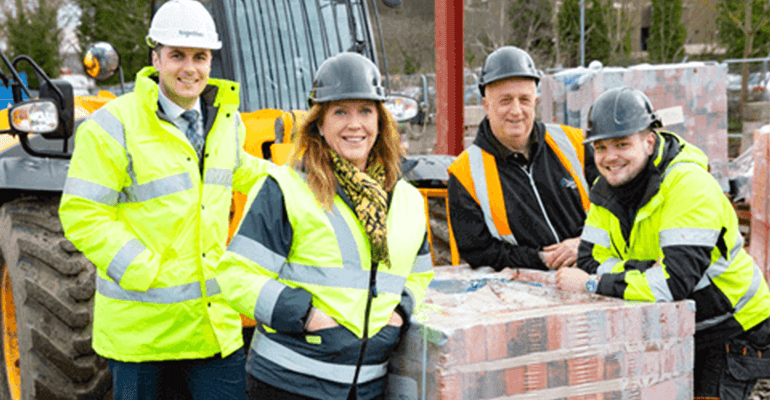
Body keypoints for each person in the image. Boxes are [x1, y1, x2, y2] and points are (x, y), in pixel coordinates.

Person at [58, 0, 271, 398]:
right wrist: (142, 270)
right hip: (144, 332)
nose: (190, 68)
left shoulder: (225, 120)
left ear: (211, 61)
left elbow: (241, 169)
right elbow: (82, 213)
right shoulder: (112, 125)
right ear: (156, 57)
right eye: (177, 55)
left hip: (212, 327)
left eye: (200, 56)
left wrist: (309, 181)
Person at [216, 52, 434, 400]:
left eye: (365, 110)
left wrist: (399, 312)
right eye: (340, 111)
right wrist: (304, 314)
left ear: (380, 120)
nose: (354, 124)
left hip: (368, 387)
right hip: (289, 385)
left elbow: (419, 274)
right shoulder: (287, 189)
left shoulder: (408, 200)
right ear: (319, 122)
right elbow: (235, 275)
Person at [556, 87, 770, 399]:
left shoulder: (687, 185)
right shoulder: (605, 190)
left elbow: (670, 286)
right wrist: (645, 272)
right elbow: (589, 258)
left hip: (733, 326)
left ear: (649, 141)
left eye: (622, 144)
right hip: (679, 323)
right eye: (600, 147)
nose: (610, 156)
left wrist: (592, 284)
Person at [447, 46, 598, 271]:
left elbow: (615, 205)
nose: (516, 111)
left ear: (535, 102)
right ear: (486, 106)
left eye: (524, 99)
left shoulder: (574, 144)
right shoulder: (465, 173)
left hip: (593, 271)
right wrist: (540, 259)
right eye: (505, 100)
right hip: (523, 290)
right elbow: (478, 251)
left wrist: (586, 244)